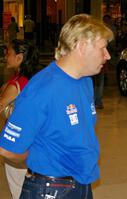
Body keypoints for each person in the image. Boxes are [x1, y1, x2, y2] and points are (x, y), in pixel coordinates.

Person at [0, 13, 113, 199]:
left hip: (81, 183)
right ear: (82, 46)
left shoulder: (85, 81)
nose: (107, 55)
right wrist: (42, 158)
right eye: (103, 48)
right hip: (49, 189)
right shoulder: (42, 89)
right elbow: (7, 148)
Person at [0, 39, 39, 199]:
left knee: (19, 192)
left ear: (19, 57)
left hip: (17, 146)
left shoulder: (16, 84)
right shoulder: (35, 80)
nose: (5, 56)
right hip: (35, 144)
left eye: (8, 53)